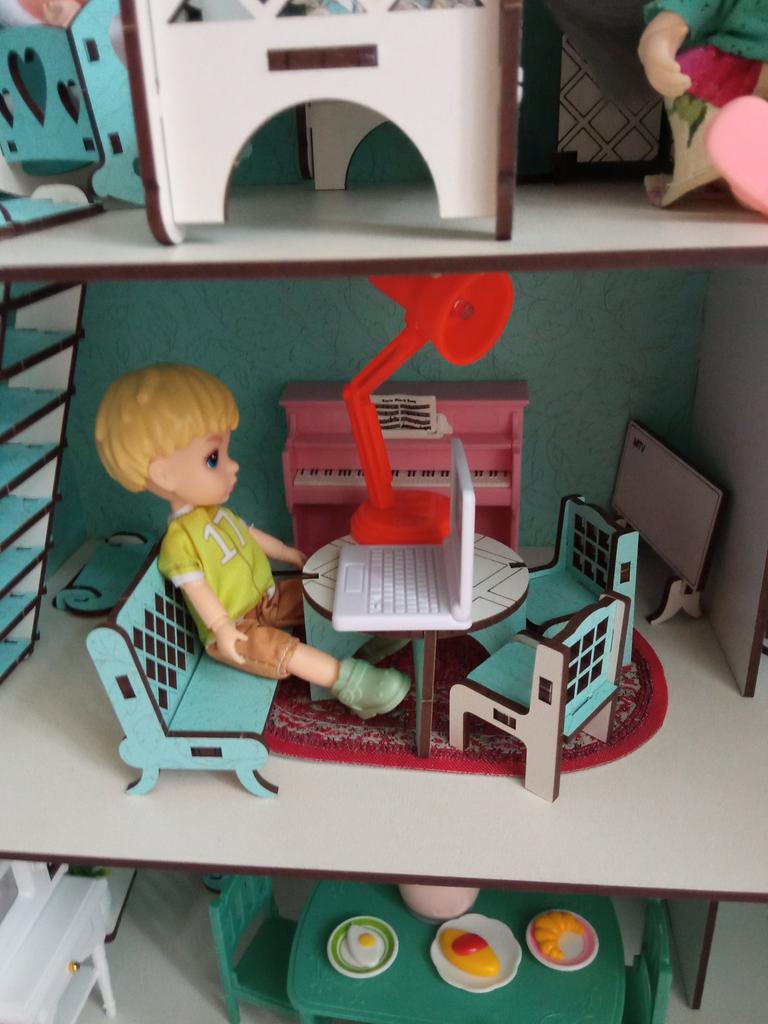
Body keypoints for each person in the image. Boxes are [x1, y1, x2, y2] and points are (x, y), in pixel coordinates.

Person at [94, 363, 410, 720]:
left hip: (265, 600)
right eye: (213, 459)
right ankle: (353, 685)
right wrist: (221, 628)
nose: (232, 466)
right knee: (281, 649)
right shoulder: (180, 541)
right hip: (236, 628)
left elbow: (251, 536)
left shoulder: (216, 513)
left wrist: (289, 554)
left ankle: (369, 638)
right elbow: (197, 588)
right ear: (164, 474)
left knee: (316, 595)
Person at [638, 0, 768, 208]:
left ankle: (749, 169)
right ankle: (742, 168)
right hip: (734, 71)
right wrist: (658, 40)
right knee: (695, 89)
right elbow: (687, 7)